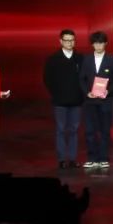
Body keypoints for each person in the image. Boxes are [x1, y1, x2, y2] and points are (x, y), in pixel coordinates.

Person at [43, 28, 83, 170]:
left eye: (72, 40)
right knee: (60, 130)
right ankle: (61, 159)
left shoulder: (80, 58)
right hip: (59, 101)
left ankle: (72, 159)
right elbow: (47, 79)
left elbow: (85, 78)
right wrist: (56, 93)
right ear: (60, 41)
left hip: (76, 101)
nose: (69, 43)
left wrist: (81, 94)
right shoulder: (53, 59)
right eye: (66, 40)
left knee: (74, 130)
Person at [79, 31, 113, 170]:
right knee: (90, 131)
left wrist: (108, 91)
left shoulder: (111, 59)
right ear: (92, 44)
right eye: (96, 43)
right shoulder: (87, 59)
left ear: (105, 43)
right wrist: (87, 92)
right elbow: (82, 79)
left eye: (101, 43)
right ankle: (92, 158)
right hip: (90, 101)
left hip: (105, 100)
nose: (98, 45)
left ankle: (103, 158)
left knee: (104, 131)